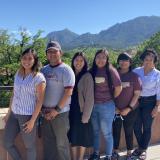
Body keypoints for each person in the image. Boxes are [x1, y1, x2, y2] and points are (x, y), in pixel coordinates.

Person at [3, 48, 46, 160]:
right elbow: (14, 93)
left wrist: (32, 121)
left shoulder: (38, 77)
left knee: (30, 146)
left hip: (27, 116)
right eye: (24, 58)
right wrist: (8, 112)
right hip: (14, 114)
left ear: (35, 60)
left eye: (30, 58)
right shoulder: (18, 73)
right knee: (7, 143)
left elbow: (40, 101)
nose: (26, 61)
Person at [41, 41, 75, 160]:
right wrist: (42, 110)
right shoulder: (43, 70)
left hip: (60, 113)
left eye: (54, 51)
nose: (52, 54)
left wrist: (56, 110)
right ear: (46, 54)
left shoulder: (66, 70)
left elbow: (68, 92)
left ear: (60, 53)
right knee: (48, 143)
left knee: (62, 144)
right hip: (45, 113)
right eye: (49, 52)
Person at [88, 49, 122, 160]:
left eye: (103, 57)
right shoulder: (92, 71)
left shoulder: (111, 70)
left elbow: (118, 87)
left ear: (107, 59)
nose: (100, 60)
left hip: (107, 106)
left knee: (107, 132)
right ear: (95, 58)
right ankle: (96, 154)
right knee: (95, 131)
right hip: (93, 106)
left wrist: (110, 99)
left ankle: (108, 156)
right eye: (98, 57)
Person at [112, 52, 141, 160]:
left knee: (129, 131)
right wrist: (114, 107)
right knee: (116, 131)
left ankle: (129, 153)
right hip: (115, 110)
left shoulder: (134, 76)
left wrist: (128, 108)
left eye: (126, 60)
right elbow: (109, 92)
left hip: (131, 110)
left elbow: (137, 94)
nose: (123, 62)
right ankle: (115, 152)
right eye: (121, 60)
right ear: (118, 62)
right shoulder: (113, 75)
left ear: (130, 62)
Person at [132, 49, 160, 160]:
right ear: (143, 60)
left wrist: (157, 107)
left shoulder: (157, 74)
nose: (148, 61)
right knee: (136, 126)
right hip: (137, 102)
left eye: (151, 59)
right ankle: (140, 147)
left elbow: (159, 92)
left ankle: (143, 150)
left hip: (150, 102)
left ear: (154, 61)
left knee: (147, 127)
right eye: (146, 59)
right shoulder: (136, 71)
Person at [68, 52, 94, 160]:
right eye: (76, 60)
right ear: (73, 61)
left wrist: (86, 116)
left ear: (85, 62)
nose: (78, 62)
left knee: (82, 137)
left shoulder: (87, 76)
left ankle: (80, 158)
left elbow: (89, 98)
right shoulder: (69, 74)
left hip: (82, 111)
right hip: (70, 110)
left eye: (81, 60)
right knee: (72, 136)